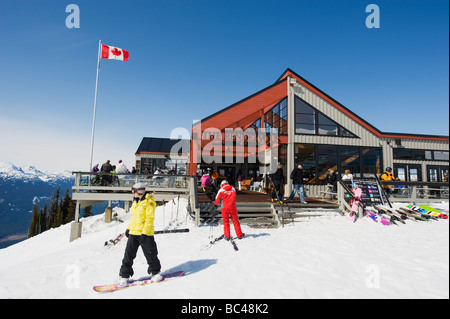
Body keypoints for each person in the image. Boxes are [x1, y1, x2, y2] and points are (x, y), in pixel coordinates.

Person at [118, 183, 162, 286]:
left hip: (145, 233)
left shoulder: (149, 202)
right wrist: (129, 228)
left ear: (140, 191)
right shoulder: (136, 202)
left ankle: (155, 272)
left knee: (150, 254)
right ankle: (124, 275)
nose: (133, 193)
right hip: (134, 232)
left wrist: (145, 233)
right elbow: (134, 217)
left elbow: (149, 219)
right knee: (128, 255)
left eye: (134, 191)